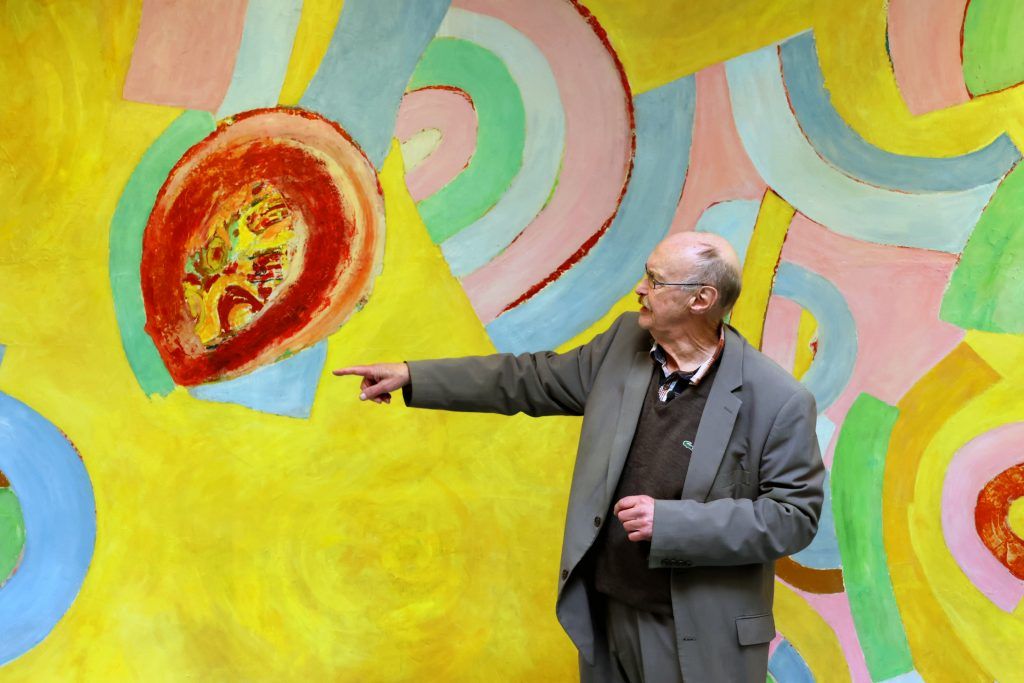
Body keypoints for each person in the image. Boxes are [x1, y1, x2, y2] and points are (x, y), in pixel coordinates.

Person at [334, 232, 825, 682]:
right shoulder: (625, 343)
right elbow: (530, 380)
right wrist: (414, 376)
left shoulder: (777, 399)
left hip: (696, 634)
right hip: (607, 616)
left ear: (701, 299)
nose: (640, 289)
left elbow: (794, 518)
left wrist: (674, 524)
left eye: (655, 281)